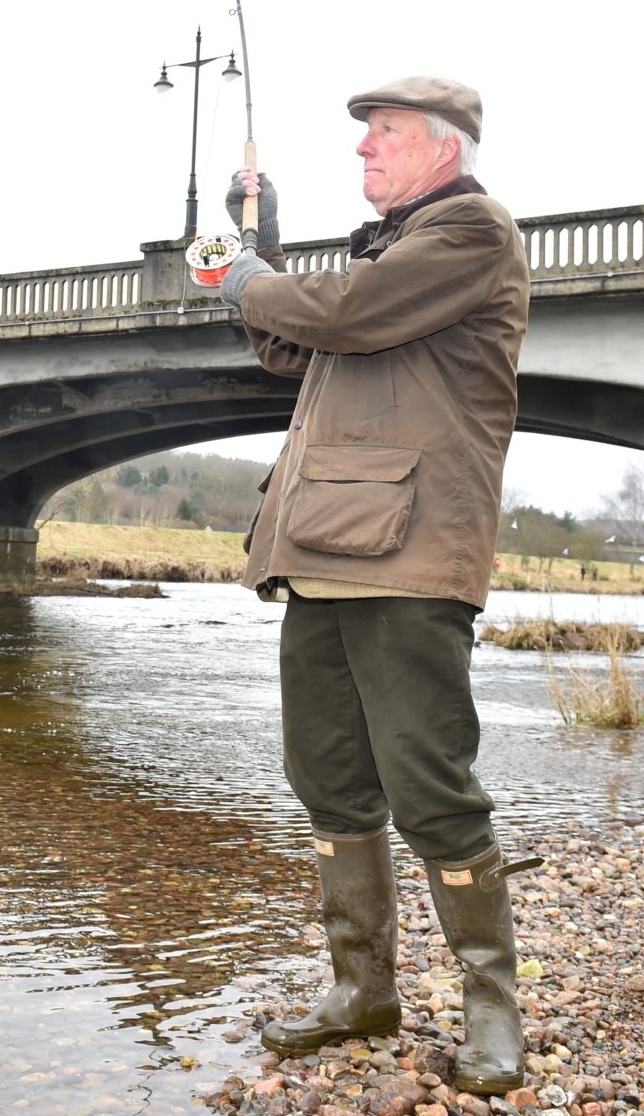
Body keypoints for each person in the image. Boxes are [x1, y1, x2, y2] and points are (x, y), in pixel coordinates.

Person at [211, 76, 536, 1095]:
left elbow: (345, 315)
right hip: (320, 554)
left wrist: (247, 277)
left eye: (382, 138)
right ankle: (361, 992)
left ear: (442, 149)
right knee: (327, 781)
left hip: (408, 560)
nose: (364, 154)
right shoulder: (391, 253)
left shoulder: (470, 234)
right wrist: (258, 250)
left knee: (431, 792)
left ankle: (492, 1012)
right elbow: (292, 339)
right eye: (361, 142)